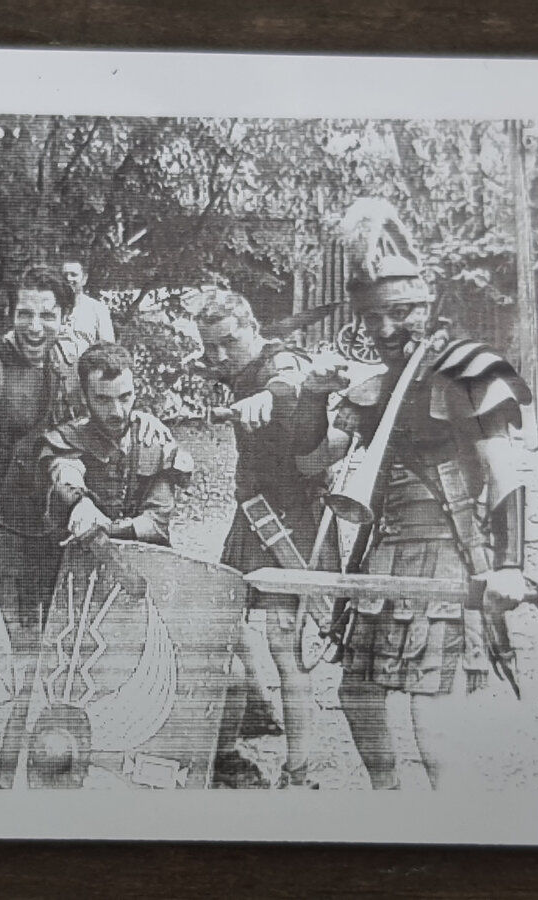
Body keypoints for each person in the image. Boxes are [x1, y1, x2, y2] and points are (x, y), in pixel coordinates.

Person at [0, 267, 169, 790]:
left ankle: (16, 769)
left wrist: (145, 428)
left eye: (47, 315)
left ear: (65, 316)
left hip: (48, 532)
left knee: (40, 660)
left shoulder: (69, 366)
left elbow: (101, 421)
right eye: (24, 313)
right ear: (10, 313)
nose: (35, 326)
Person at [312, 198, 533, 790]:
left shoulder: (469, 368)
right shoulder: (375, 384)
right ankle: (388, 802)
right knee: (357, 693)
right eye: (372, 318)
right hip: (380, 555)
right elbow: (315, 458)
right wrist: (306, 395)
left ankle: (450, 822)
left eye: (401, 312)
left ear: (427, 302)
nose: (386, 330)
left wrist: (510, 565)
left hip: (448, 552)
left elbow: (505, 473)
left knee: (431, 709)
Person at [193, 288, 348, 790]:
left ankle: (299, 771)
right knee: (225, 618)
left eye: (228, 341)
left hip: (293, 515)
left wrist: (269, 395)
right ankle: (257, 708)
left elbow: (291, 376)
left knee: (284, 644)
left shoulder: (279, 360)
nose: (220, 354)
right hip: (253, 510)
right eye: (210, 345)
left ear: (252, 328)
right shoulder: (237, 366)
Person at [40, 342, 193, 547]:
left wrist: (106, 530)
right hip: (77, 554)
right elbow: (65, 472)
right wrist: (79, 502)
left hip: (141, 555)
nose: (117, 412)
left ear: (135, 391)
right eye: (103, 400)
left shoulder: (153, 440)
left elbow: (157, 522)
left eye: (125, 397)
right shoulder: (67, 438)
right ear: (84, 397)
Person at [61, 260, 115, 352]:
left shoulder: (98, 309)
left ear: (84, 279)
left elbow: (108, 348)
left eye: (73, 275)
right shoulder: (52, 308)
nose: (68, 279)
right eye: (64, 275)